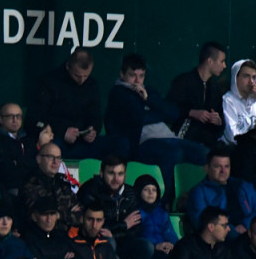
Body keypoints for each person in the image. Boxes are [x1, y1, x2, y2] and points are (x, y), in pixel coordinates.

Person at [103, 53, 206, 204]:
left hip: (169, 137)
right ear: (122, 74)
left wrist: (148, 100)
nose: (137, 81)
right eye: (132, 76)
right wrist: (157, 112)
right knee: (173, 154)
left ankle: (194, 200)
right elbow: (137, 118)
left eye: (141, 76)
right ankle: (165, 203)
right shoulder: (118, 93)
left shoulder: (149, 92)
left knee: (203, 153)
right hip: (142, 143)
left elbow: (173, 113)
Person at [30, 47, 109, 157]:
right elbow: (36, 118)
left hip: (83, 140)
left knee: (118, 144)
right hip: (58, 138)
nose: (82, 80)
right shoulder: (49, 81)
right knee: (51, 149)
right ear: (68, 66)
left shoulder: (91, 84)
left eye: (86, 76)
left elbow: (95, 115)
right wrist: (63, 131)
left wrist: (92, 130)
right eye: (77, 76)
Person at [77, 157, 151, 259]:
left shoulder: (130, 194)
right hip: (94, 242)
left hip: (121, 241)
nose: (116, 179)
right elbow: (96, 226)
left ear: (125, 175)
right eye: (111, 173)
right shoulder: (90, 190)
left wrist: (115, 233)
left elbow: (136, 228)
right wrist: (124, 225)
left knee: (146, 246)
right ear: (101, 173)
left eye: (120, 174)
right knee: (108, 242)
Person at [186, 147, 256, 239]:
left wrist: (246, 224)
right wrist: (232, 230)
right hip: (224, 239)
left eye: (226, 166)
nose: (223, 171)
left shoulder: (242, 186)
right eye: (217, 167)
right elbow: (202, 223)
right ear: (207, 168)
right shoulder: (198, 192)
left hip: (250, 232)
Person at [166, 41, 227, 147]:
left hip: (207, 140)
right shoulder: (184, 82)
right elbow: (168, 108)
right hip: (184, 138)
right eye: (222, 61)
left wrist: (218, 120)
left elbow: (220, 116)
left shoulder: (214, 88)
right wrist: (190, 112)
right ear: (210, 61)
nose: (224, 66)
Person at [166, 207, 237, 259]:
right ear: (211, 227)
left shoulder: (223, 248)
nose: (229, 229)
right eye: (224, 226)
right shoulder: (185, 246)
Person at [21, 142, 80, 225]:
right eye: (50, 157)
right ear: (39, 159)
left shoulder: (62, 182)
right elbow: (45, 216)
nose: (55, 162)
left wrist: (59, 215)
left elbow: (81, 216)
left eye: (58, 158)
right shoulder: (31, 182)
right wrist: (67, 213)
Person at [223, 59, 256, 145]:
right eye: (246, 76)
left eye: (254, 77)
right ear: (236, 78)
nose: (251, 81)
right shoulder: (228, 100)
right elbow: (232, 136)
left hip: (254, 148)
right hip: (233, 149)